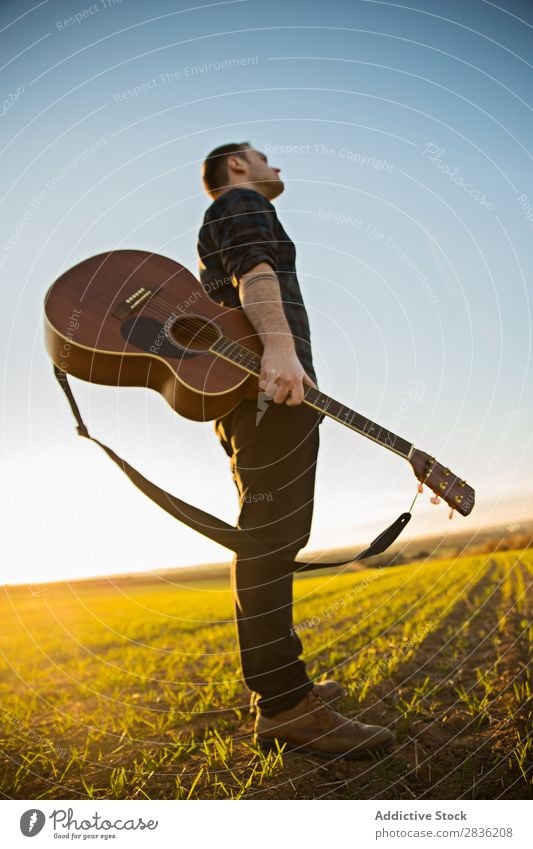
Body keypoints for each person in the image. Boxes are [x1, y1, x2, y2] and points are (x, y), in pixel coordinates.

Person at [197, 142, 394, 758]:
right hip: (269, 386)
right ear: (235, 165)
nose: (275, 167)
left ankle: (283, 691)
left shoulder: (234, 206)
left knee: (272, 537)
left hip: (256, 389)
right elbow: (255, 271)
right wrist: (281, 354)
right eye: (264, 157)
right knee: (270, 538)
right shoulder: (242, 200)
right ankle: (284, 706)